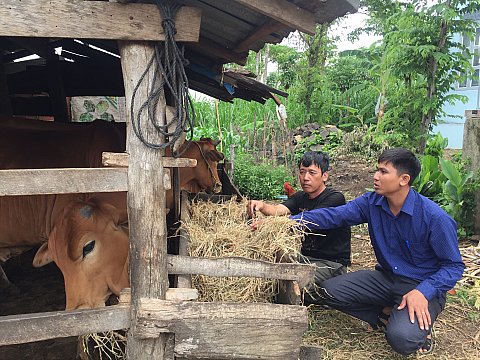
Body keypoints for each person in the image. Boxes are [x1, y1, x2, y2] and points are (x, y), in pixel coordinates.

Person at [288, 148, 465, 355]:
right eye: (376, 170)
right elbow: (334, 216)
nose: (375, 176)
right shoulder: (372, 203)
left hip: (419, 287)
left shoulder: (434, 218)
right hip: (386, 279)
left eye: (383, 171)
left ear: (403, 179)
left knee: (402, 339)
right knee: (324, 290)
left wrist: (423, 292)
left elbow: (454, 267)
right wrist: (288, 222)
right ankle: (383, 314)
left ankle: (418, 331)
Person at [247, 151, 351, 303]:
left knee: (289, 288)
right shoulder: (300, 197)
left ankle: (334, 289)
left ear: (324, 176)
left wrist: (269, 224)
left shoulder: (334, 198)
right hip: (305, 259)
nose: (305, 178)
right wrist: (262, 206)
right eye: (302, 172)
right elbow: (278, 210)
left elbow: (310, 220)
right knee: (272, 272)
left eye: (312, 173)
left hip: (331, 264)